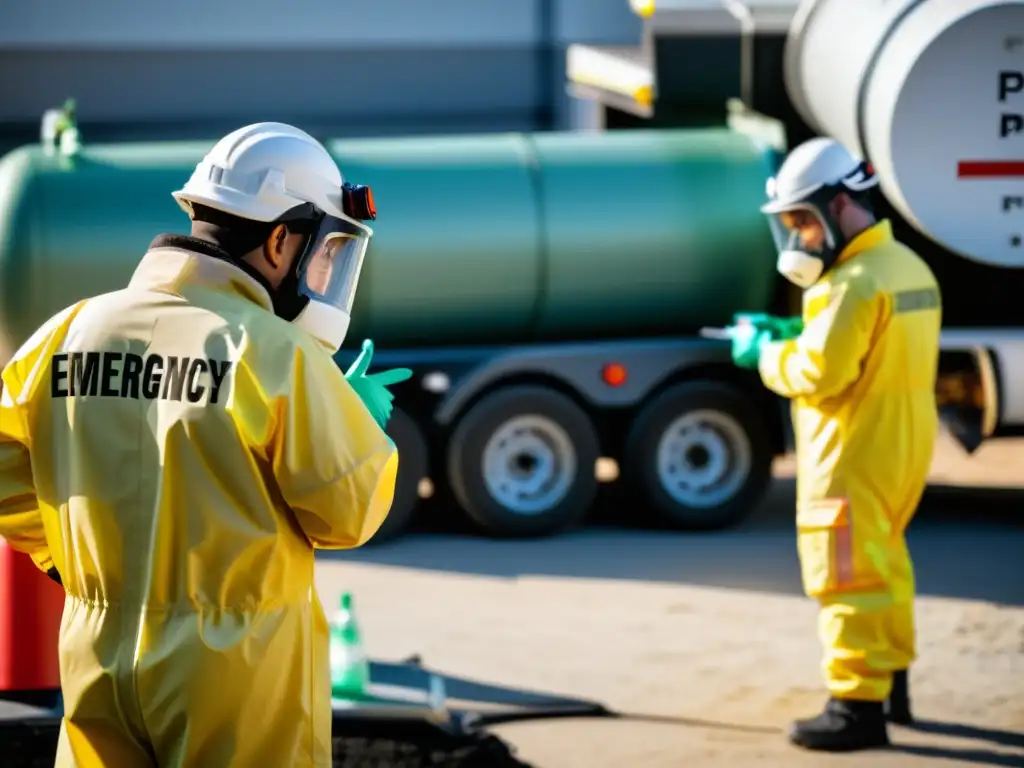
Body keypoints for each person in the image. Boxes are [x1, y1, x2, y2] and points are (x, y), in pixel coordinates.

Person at [0, 122, 411, 767]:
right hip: (239, 670)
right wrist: (359, 427)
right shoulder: (275, 355)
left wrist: (71, 564)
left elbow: (8, 474)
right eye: (323, 250)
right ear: (282, 238)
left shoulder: (68, 332)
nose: (324, 268)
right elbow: (348, 515)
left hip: (96, 653)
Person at [728, 137, 941, 752]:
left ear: (840, 204)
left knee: (846, 578)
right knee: (885, 566)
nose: (801, 237)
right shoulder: (905, 268)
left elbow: (820, 374)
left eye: (804, 220)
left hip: (850, 456)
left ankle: (856, 708)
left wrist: (768, 353)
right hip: (898, 449)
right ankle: (889, 683)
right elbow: (871, 348)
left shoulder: (848, 284)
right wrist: (806, 330)